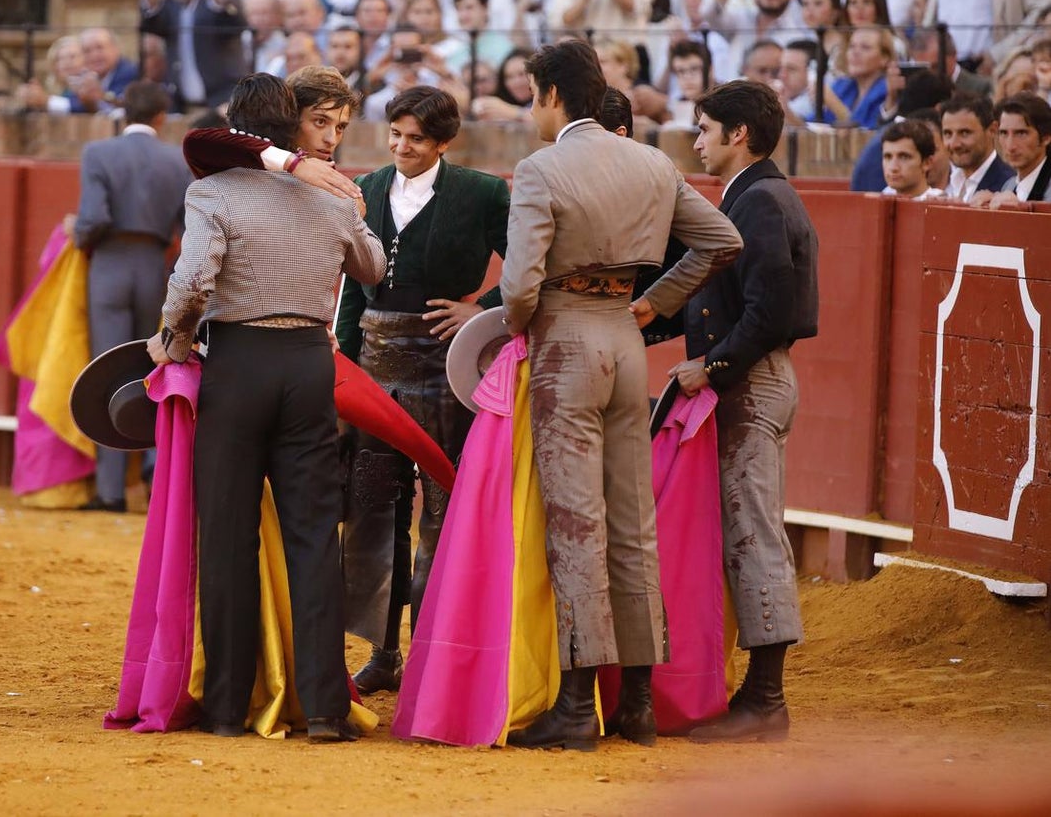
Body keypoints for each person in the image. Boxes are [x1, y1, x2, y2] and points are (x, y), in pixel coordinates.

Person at [501, 39, 743, 750]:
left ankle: (578, 707)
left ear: (551, 94)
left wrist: (520, 330)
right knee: (632, 521)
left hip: (568, 340)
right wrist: (652, 301)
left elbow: (518, 286)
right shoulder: (652, 162)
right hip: (624, 342)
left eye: (531, 97)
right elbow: (721, 240)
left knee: (576, 520)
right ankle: (636, 701)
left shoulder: (542, 167)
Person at [148, 73, 386, 743]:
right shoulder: (331, 193)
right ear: (291, 127)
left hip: (239, 365)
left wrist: (178, 339)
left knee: (228, 538)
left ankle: (226, 707)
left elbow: (192, 282)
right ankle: (326, 711)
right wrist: (354, 212)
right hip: (309, 363)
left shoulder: (214, 192)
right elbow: (371, 267)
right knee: (315, 536)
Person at [636, 79, 817, 743]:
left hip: (746, 383)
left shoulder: (762, 202)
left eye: (706, 127)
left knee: (751, 533)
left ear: (739, 133)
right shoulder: (750, 196)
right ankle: (739, 688)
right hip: (739, 382)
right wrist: (639, 322)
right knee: (735, 531)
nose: (697, 138)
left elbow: (772, 313)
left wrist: (708, 367)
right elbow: (714, 300)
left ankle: (766, 699)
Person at [336, 86, 511, 696]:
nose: (402, 147)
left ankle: (435, 651)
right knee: (375, 509)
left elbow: (526, 264)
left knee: (442, 511)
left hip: (448, 365)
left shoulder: (482, 192)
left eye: (415, 138)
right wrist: (345, 352)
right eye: (396, 134)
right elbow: (354, 285)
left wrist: (480, 308)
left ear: (442, 143)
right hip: (377, 363)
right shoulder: (367, 186)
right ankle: (384, 654)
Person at [73, 82, 194, 512]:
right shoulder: (175, 161)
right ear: (161, 118)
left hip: (109, 265)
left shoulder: (98, 154)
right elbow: (190, 231)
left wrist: (76, 239)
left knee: (106, 370)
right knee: (156, 363)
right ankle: (154, 466)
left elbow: (93, 218)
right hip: (154, 271)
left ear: (123, 111)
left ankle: (110, 490)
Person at [140, 0, 248, 111]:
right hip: (180, 103)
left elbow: (236, 24)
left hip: (223, 101)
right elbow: (150, 27)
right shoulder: (168, 3)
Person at [926, 0, 1051, 77]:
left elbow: (1043, 10)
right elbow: (931, 13)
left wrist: (998, 54)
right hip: (944, 68)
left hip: (990, 68)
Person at [940, 92, 1015, 202]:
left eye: (964, 133)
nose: (954, 144)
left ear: (992, 130)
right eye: (948, 134)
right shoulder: (947, 182)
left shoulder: (1010, 186)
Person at [982, 91, 1051, 206]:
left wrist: (1019, 209)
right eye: (1003, 133)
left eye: (1021, 133)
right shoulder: (1009, 185)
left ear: (1046, 138)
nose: (1010, 146)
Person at [880, 118, 946, 199]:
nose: (893, 167)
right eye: (888, 157)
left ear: (927, 163)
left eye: (904, 157)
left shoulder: (940, 205)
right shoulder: (882, 198)